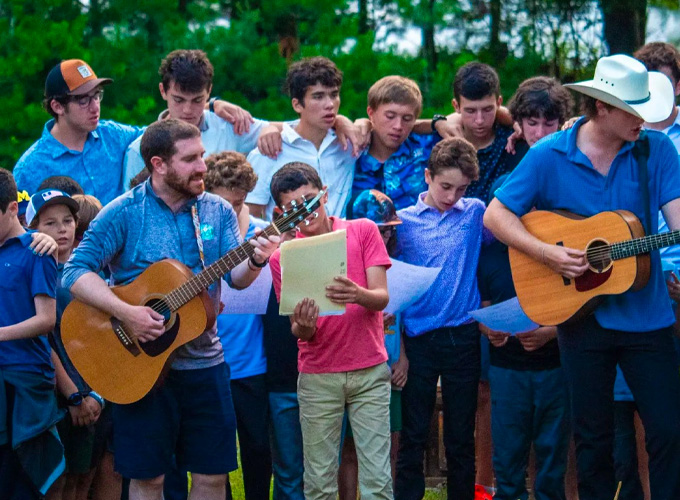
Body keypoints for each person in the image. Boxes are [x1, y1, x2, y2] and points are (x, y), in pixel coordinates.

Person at [484, 54, 680, 500]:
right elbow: (497, 215)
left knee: (668, 430)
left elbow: (677, 216)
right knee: (592, 440)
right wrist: (545, 255)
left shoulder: (657, 149)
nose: (645, 119)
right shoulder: (549, 155)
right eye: (634, 109)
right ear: (602, 108)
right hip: (580, 318)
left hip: (648, 319)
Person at [61, 119, 280, 500]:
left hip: (206, 364)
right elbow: (75, 272)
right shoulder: (123, 212)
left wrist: (257, 260)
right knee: (149, 479)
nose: (202, 166)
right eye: (191, 159)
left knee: (213, 475)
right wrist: (127, 312)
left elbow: (237, 278)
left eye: (202, 155)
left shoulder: (217, 211)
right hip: (139, 369)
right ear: (159, 164)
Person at [268, 162, 393, 500]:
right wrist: (304, 326)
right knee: (319, 478)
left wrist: (358, 294)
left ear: (324, 194)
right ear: (282, 213)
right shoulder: (282, 257)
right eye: (293, 207)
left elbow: (381, 298)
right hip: (319, 374)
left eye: (310, 200)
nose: (305, 211)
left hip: (368, 368)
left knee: (378, 477)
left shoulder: (362, 230)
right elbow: (298, 329)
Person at [13, 58, 254, 205]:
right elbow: (23, 232)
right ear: (57, 106)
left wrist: (212, 104)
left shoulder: (113, 135)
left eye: (97, 96)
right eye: (83, 100)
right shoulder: (30, 167)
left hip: (121, 268)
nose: (95, 106)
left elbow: (164, 129)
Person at [394, 136, 490, 500]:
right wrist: (399, 347)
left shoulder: (475, 213)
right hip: (419, 338)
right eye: (445, 186)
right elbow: (392, 286)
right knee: (414, 433)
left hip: (463, 337)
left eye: (461, 188)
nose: (452, 196)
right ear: (427, 176)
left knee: (461, 435)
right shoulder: (402, 222)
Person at [477, 174, 570, 500]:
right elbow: (484, 310)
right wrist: (490, 329)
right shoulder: (490, 258)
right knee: (508, 456)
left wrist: (550, 333)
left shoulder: (557, 252)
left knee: (551, 457)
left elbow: (577, 308)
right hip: (507, 370)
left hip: (553, 368)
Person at [25, 189, 105, 500]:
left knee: (82, 480)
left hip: (93, 392)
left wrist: (97, 394)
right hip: (57, 396)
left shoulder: (87, 272)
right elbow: (43, 340)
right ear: (32, 228)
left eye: (68, 220)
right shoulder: (34, 272)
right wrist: (73, 394)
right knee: (57, 483)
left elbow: (101, 339)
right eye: (50, 223)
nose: (62, 229)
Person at [205, 151, 272, 500]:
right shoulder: (200, 231)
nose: (230, 210)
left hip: (252, 359)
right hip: (211, 355)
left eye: (238, 202)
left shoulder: (264, 233)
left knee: (258, 446)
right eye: (222, 201)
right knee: (216, 450)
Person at [339, 189, 408, 499]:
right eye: (379, 230)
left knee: (387, 447)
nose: (384, 236)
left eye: (388, 231)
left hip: (390, 364)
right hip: (355, 363)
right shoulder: (345, 262)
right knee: (350, 449)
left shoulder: (397, 265)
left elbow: (402, 314)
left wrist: (403, 358)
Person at [123, 50, 270, 190]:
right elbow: (130, 206)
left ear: (209, 91)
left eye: (197, 100)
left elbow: (290, 130)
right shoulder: (139, 150)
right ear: (163, 91)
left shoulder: (228, 125)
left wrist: (271, 129)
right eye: (179, 100)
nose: (187, 110)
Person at [0, 169, 61, 499]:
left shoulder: (36, 251)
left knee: (24, 476)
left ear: (12, 209)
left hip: (24, 378)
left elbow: (46, 320)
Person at [246, 57, 357, 219]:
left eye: (334, 95)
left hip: (344, 242)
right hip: (288, 243)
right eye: (318, 96)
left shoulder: (349, 144)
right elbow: (250, 217)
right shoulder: (269, 150)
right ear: (297, 104)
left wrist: (362, 123)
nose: (330, 104)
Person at [451, 62, 519, 202]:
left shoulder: (513, 138)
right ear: (456, 106)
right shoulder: (442, 142)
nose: (480, 120)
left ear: (499, 103)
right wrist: (437, 122)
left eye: (488, 109)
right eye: (470, 111)